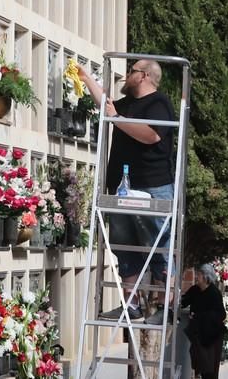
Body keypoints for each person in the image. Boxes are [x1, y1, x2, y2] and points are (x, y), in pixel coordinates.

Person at [78, 60, 176, 323]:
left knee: (158, 241)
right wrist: (86, 78)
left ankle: (163, 303)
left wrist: (118, 118)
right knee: (124, 243)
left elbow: (151, 135)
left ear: (143, 76)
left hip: (153, 183)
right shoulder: (127, 104)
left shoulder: (159, 103)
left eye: (131, 71)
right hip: (122, 183)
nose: (126, 75)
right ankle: (130, 303)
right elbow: (107, 106)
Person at [181, 263, 227, 379]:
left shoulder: (214, 293)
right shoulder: (195, 290)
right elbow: (183, 302)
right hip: (199, 335)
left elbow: (221, 314)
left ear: (206, 277)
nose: (196, 276)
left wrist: (198, 316)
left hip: (212, 337)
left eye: (199, 274)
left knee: (209, 371)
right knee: (198, 367)